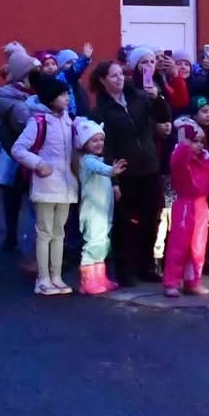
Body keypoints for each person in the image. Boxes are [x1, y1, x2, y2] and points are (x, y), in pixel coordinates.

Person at [89, 58, 168, 284]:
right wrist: (112, 179)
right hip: (124, 172)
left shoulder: (139, 98)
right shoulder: (101, 111)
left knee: (151, 217)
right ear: (103, 81)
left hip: (150, 167)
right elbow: (107, 145)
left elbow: (162, 116)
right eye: (113, 76)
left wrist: (157, 97)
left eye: (121, 74)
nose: (119, 79)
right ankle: (124, 269)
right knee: (125, 223)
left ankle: (146, 265)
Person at [12, 76, 79, 296]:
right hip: (46, 184)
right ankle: (43, 278)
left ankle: (56, 275)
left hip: (66, 185)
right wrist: (39, 164)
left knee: (59, 232)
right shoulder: (39, 122)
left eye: (66, 94)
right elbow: (19, 149)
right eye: (61, 95)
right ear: (50, 98)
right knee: (44, 232)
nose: (66, 98)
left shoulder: (70, 122)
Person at [163, 112, 209, 297]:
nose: (199, 144)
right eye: (194, 140)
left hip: (201, 207)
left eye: (201, 141)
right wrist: (184, 141)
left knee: (198, 247)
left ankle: (193, 281)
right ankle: (172, 281)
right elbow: (179, 159)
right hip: (185, 206)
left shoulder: (206, 162)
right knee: (178, 246)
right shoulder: (180, 158)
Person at [0, 47, 37, 257]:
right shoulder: (15, 97)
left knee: (16, 196)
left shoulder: (21, 94)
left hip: (17, 152)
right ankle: (15, 237)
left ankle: (14, 237)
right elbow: (24, 124)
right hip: (18, 153)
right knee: (17, 197)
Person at [74, 119, 123, 295]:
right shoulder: (87, 161)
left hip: (103, 210)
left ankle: (100, 277)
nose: (99, 143)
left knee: (102, 242)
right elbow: (101, 169)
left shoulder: (97, 160)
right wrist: (112, 171)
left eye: (101, 140)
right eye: (94, 140)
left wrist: (113, 185)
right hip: (93, 211)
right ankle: (88, 280)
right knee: (93, 242)